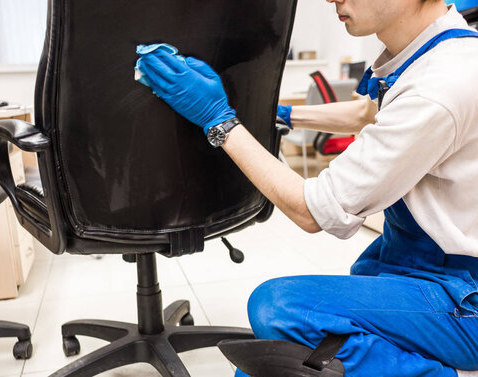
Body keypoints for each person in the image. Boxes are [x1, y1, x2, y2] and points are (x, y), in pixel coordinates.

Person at [136, 0, 478, 375]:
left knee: (278, 307)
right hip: (413, 265)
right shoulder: (427, 51)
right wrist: (275, 114)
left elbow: (314, 210)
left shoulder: (442, 83)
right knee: (262, 365)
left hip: (462, 297)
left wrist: (220, 121)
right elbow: (366, 113)